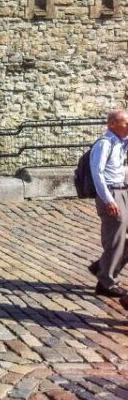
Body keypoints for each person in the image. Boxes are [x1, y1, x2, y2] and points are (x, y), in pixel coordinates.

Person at [88, 109, 128, 297]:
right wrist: (108, 200)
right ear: (112, 124)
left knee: (123, 239)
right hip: (111, 193)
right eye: (125, 122)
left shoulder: (120, 143)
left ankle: (102, 267)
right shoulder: (104, 144)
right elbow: (98, 173)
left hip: (123, 190)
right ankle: (107, 282)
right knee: (115, 237)